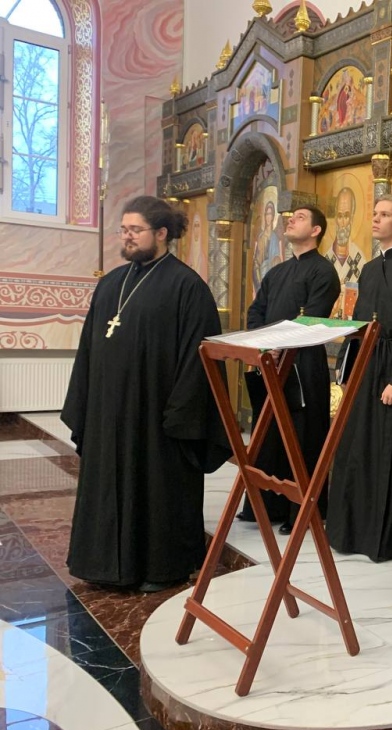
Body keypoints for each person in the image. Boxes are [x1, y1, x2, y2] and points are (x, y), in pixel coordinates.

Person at [62, 196, 229, 593]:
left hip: (156, 418)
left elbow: (200, 359)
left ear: (162, 233)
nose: (127, 237)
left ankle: (162, 567)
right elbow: (88, 350)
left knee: (155, 490)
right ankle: (100, 563)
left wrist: (180, 416)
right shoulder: (110, 284)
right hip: (107, 414)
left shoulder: (188, 287)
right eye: (124, 230)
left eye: (135, 230)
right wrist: (84, 404)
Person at [326, 195, 392, 561]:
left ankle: (383, 541)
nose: (375, 218)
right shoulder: (369, 270)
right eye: (374, 213)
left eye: (384, 214)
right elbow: (358, 325)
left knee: (389, 452)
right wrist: (345, 370)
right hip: (365, 366)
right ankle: (349, 532)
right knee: (356, 449)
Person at [237, 205, 339, 534]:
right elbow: (256, 311)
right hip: (270, 360)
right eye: (291, 217)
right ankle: (265, 506)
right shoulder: (277, 272)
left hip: (303, 364)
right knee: (267, 433)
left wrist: (279, 343)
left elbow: (313, 318)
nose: (291, 220)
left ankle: (301, 512)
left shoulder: (323, 272)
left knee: (301, 436)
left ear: (316, 230)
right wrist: (263, 343)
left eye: (300, 217)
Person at [329, 187, 365, 317]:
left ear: (352, 218)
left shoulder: (360, 259)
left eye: (346, 216)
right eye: (340, 216)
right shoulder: (326, 259)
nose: (343, 223)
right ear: (335, 218)